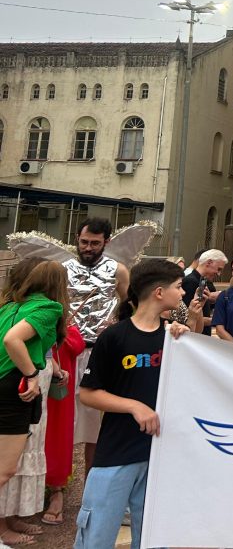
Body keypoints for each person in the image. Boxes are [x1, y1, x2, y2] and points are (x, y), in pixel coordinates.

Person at [75, 258, 190, 549]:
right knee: (96, 535)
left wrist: (189, 341)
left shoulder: (173, 337)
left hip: (160, 453)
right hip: (117, 451)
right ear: (159, 292)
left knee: (152, 537)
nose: (184, 293)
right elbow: (88, 393)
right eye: (179, 287)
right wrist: (133, 406)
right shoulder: (114, 337)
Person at [0, 260, 66, 544]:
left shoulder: (8, 306)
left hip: (5, 384)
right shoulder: (49, 308)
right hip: (12, 388)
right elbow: (12, 340)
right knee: (5, 468)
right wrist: (30, 375)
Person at [64, 218, 130, 478]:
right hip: (67, 352)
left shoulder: (119, 270)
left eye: (94, 243)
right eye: (83, 242)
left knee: (96, 424)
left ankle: (90, 483)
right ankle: (58, 488)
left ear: (106, 242)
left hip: (100, 353)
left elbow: (129, 306)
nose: (88, 248)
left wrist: (116, 326)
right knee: (63, 419)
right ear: (77, 239)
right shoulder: (62, 268)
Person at [41, 318, 83, 527]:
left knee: (57, 436)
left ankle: (56, 490)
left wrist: (62, 333)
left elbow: (78, 345)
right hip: (28, 382)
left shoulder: (67, 325)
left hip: (58, 391)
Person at [181, 249, 227, 336]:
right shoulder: (191, 282)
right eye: (219, 269)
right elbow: (186, 316)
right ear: (209, 263)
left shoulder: (202, 282)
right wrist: (217, 321)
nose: (218, 274)